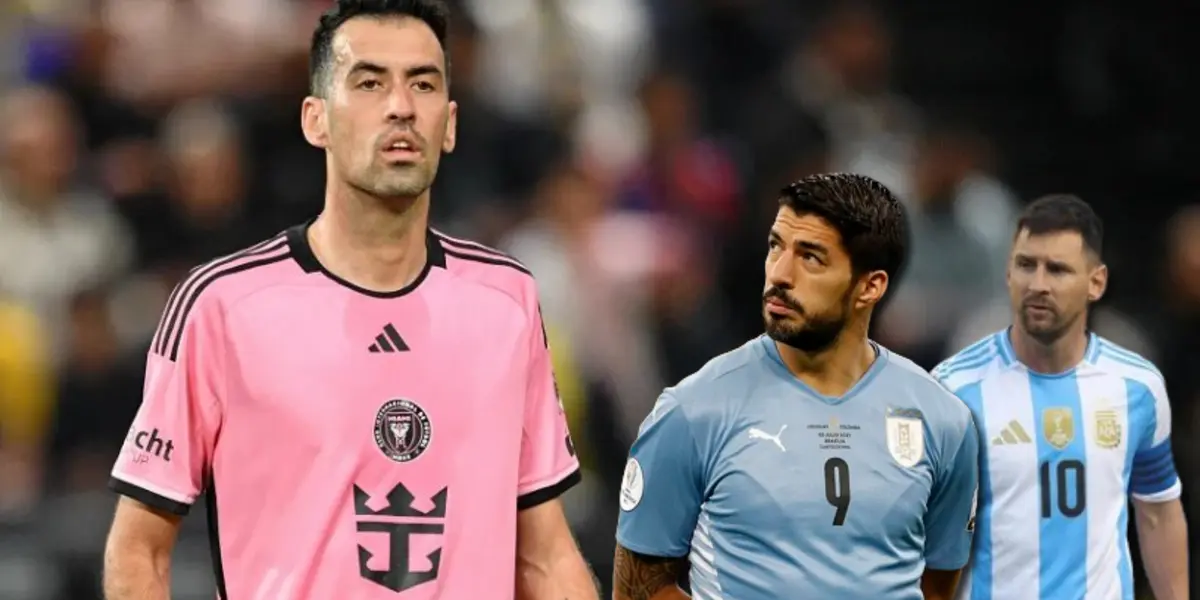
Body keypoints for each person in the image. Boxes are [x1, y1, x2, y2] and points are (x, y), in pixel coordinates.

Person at [101, 1, 598, 598]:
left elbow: (544, 555)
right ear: (316, 121)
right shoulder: (222, 306)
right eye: (368, 83)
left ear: (450, 123)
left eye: (423, 83)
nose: (401, 107)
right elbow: (139, 547)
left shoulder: (507, 300)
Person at [613, 173, 980, 600]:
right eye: (776, 247)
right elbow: (639, 588)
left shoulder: (943, 420)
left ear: (870, 286)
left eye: (811, 257)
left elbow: (937, 584)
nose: (780, 274)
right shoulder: (693, 410)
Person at [933, 195, 1189, 600]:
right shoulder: (952, 390)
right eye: (1025, 265)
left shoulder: (1136, 387)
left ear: (1096, 282)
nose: (1038, 285)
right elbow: (915, 529)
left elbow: (1158, 510)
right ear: (1007, 274)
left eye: (1057, 269)